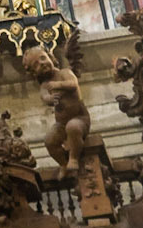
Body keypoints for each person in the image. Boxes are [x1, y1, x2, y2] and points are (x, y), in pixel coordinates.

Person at [21, 46, 91, 176]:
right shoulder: (44, 85)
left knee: (73, 127)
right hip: (61, 124)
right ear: (34, 73)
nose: (41, 63)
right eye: (36, 64)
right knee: (49, 141)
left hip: (79, 117)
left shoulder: (64, 73)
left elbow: (73, 83)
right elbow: (44, 97)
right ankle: (63, 164)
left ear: (51, 57)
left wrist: (58, 85)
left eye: (43, 58)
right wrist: (50, 98)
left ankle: (73, 158)